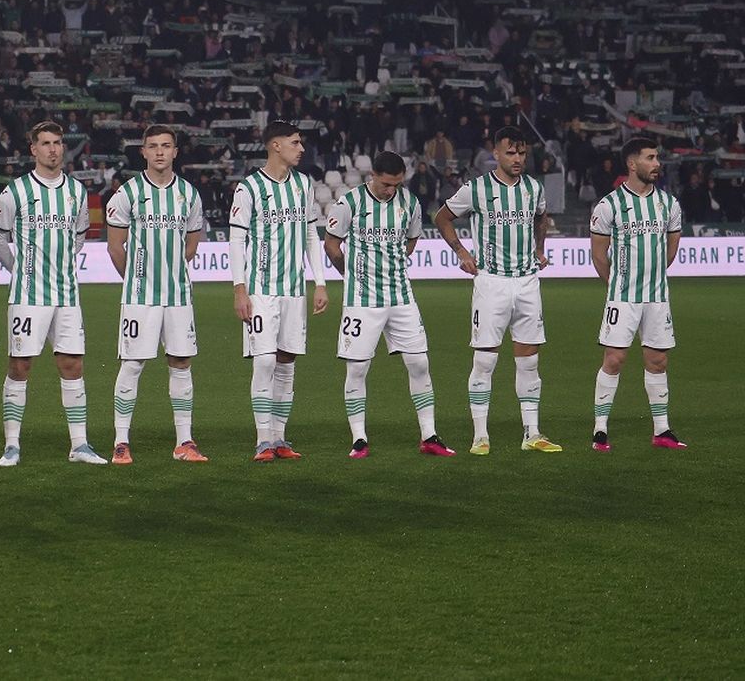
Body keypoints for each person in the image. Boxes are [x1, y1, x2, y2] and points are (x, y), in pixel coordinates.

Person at [0, 121, 107, 467]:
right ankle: (11, 445)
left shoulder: (76, 192)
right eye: (46, 143)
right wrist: (19, 268)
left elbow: (80, 235)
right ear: (33, 150)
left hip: (67, 294)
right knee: (20, 365)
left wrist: (63, 263)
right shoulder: (16, 191)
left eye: (57, 143)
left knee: (72, 364)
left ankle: (79, 444)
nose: (53, 149)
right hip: (28, 296)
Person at [434, 126, 560, 455]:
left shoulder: (533, 188)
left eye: (522, 153)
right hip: (491, 282)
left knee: (529, 361)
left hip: (528, 281)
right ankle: (480, 435)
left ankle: (532, 433)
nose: (517, 159)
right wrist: (462, 252)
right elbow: (442, 217)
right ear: (496, 154)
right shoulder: (476, 189)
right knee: (485, 360)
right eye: (510, 153)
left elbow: (541, 218)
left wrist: (540, 249)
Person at [323, 151, 456, 458]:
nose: (390, 190)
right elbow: (331, 244)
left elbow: (412, 239)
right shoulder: (350, 203)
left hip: (401, 296)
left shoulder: (410, 202)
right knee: (358, 368)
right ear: (373, 176)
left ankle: (429, 435)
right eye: (385, 184)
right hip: (362, 299)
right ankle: (359, 438)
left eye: (396, 184)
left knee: (419, 363)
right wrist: (350, 273)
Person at [104, 125, 207, 465]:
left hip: (178, 296)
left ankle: (184, 442)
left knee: (181, 363)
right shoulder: (128, 193)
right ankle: (121, 441)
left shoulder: (189, 194)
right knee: (133, 363)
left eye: (166, 146)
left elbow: (191, 245)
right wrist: (137, 279)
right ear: (143, 152)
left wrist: (170, 273)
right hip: (140, 297)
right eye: (153, 146)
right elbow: (115, 247)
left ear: (175, 151)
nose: (160, 152)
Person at [229, 121, 330, 462]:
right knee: (264, 360)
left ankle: (279, 437)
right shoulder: (249, 188)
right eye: (295, 142)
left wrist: (320, 282)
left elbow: (312, 235)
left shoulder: (303, 185)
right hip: (261, 290)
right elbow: (237, 240)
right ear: (275, 145)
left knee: (286, 361)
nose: (301, 149)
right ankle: (262, 440)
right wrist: (240, 290)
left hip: (294, 290)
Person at [588, 138, 687, 451]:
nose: (657, 164)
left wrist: (653, 275)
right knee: (614, 359)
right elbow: (598, 255)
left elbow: (671, 247)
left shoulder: (669, 204)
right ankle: (600, 429)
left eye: (657, 158)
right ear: (632, 164)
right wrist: (617, 284)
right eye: (650, 158)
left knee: (658, 361)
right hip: (623, 297)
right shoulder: (609, 205)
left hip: (657, 297)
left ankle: (662, 430)